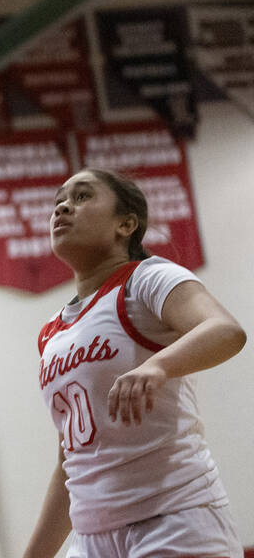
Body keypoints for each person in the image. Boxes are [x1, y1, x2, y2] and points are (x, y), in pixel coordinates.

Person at [23, 168, 246, 558]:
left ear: (125, 224)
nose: (62, 207)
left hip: (174, 519)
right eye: (59, 199)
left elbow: (226, 330)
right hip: (92, 537)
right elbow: (69, 467)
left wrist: (158, 366)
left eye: (81, 197)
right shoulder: (50, 335)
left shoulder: (147, 278)